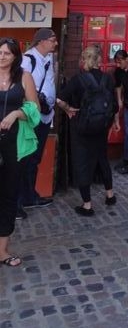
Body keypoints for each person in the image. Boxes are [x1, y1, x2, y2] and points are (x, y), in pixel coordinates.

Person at [56, 46, 119, 216]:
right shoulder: (108, 79)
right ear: (99, 60)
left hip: (82, 127)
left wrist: (68, 108)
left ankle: (87, 205)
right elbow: (114, 105)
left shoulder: (78, 80)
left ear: (85, 59)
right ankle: (110, 195)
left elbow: (59, 98)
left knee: (82, 163)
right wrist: (114, 121)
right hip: (101, 127)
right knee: (102, 158)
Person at [0, 37, 39, 266]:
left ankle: (2, 251)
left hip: (14, 144)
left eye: (6, 53)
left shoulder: (24, 77)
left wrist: (16, 114)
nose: (2, 56)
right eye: (0, 52)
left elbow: (35, 109)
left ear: (15, 56)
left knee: (7, 195)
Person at [19, 27, 57, 211]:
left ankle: (29, 195)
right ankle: (24, 198)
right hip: (32, 117)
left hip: (45, 115)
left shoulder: (48, 59)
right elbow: (21, 88)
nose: (55, 43)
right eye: (52, 39)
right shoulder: (28, 60)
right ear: (41, 41)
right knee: (28, 158)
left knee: (35, 158)